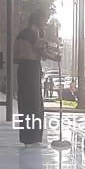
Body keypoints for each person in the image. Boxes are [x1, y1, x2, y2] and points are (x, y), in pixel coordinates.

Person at [14, 11, 55, 145]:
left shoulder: (22, 33)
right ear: (38, 19)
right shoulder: (35, 32)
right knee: (34, 104)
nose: (45, 22)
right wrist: (52, 53)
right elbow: (40, 49)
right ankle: (34, 137)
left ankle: (26, 137)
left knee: (25, 103)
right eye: (44, 19)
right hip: (32, 69)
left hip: (22, 68)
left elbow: (17, 54)